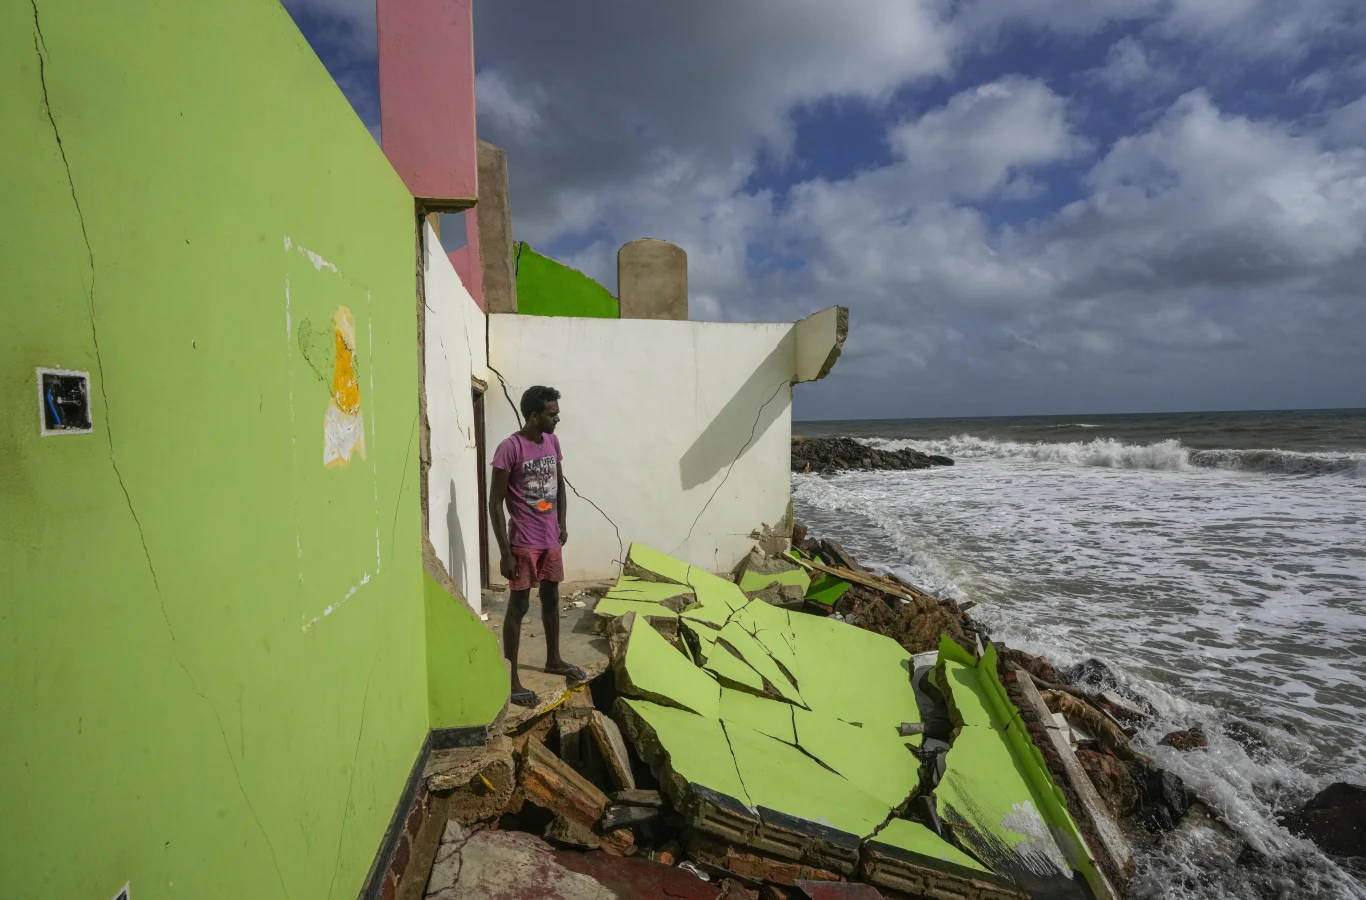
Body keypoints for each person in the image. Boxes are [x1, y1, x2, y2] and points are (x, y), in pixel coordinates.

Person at [489, 385, 585, 707]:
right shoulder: (509, 448)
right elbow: (494, 503)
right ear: (534, 415)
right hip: (523, 543)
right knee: (518, 606)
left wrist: (563, 523)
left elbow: (559, 486)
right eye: (552, 414)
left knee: (552, 599)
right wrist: (504, 552)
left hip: (549, 540)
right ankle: (512, 679)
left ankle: (553, 659)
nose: (557, 419)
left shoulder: (552, 442)